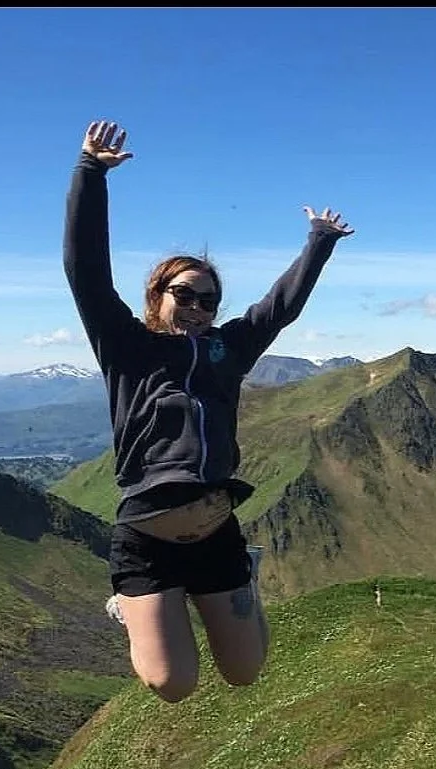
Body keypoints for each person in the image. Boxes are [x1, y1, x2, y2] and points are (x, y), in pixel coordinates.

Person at [63, 119, 354, 704]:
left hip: (216, 531)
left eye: (209, 300)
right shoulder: (127, 347)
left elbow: (278, 310)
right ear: (158, 297)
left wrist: (319, 242)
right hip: (146, 541)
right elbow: (86, 271)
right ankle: (133, 605)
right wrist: (90, 173)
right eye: (185, 295)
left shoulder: (227, 351)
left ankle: (240, 574)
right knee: (172, 684)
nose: (198, 307)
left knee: (245, 672)